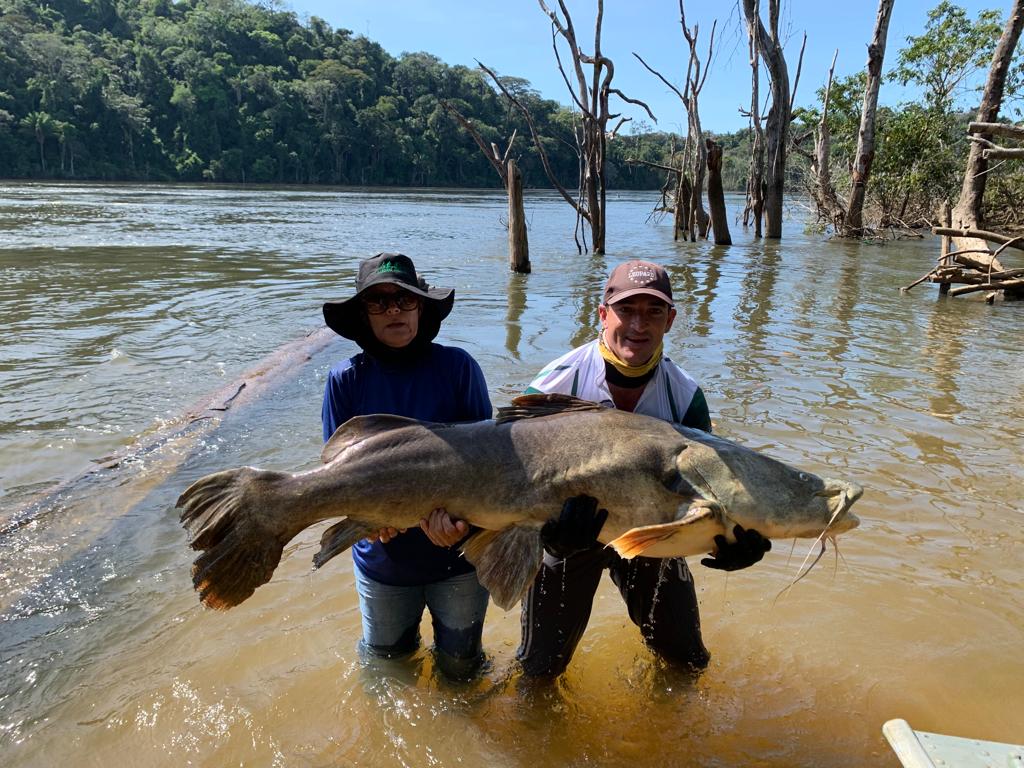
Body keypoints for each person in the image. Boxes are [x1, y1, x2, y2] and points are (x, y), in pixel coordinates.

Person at [516, 259, 772, 677]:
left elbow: (708, 490)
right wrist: (547, 536)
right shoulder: (555, 385)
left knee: (687, 663)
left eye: (653, 312)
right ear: (603, 314)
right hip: (571, 535)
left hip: (652, 536)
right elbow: (513, 481)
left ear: (670, 321)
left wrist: (731, 540)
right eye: (626, 310)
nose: (639, 324)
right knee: (538, 671)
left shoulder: (685, 397)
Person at [321, 252, 492, 680]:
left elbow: (490, 466)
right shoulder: (345, 380)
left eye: (404, 299)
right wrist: (368, 522)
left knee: (462, 669)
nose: (393, 310)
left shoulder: (458, 368)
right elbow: (337, 476)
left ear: (421, 306)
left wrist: (460, 525)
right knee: (386, 671)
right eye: (379, 302)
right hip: (383, 564)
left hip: (458, 560)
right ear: (364, 315)